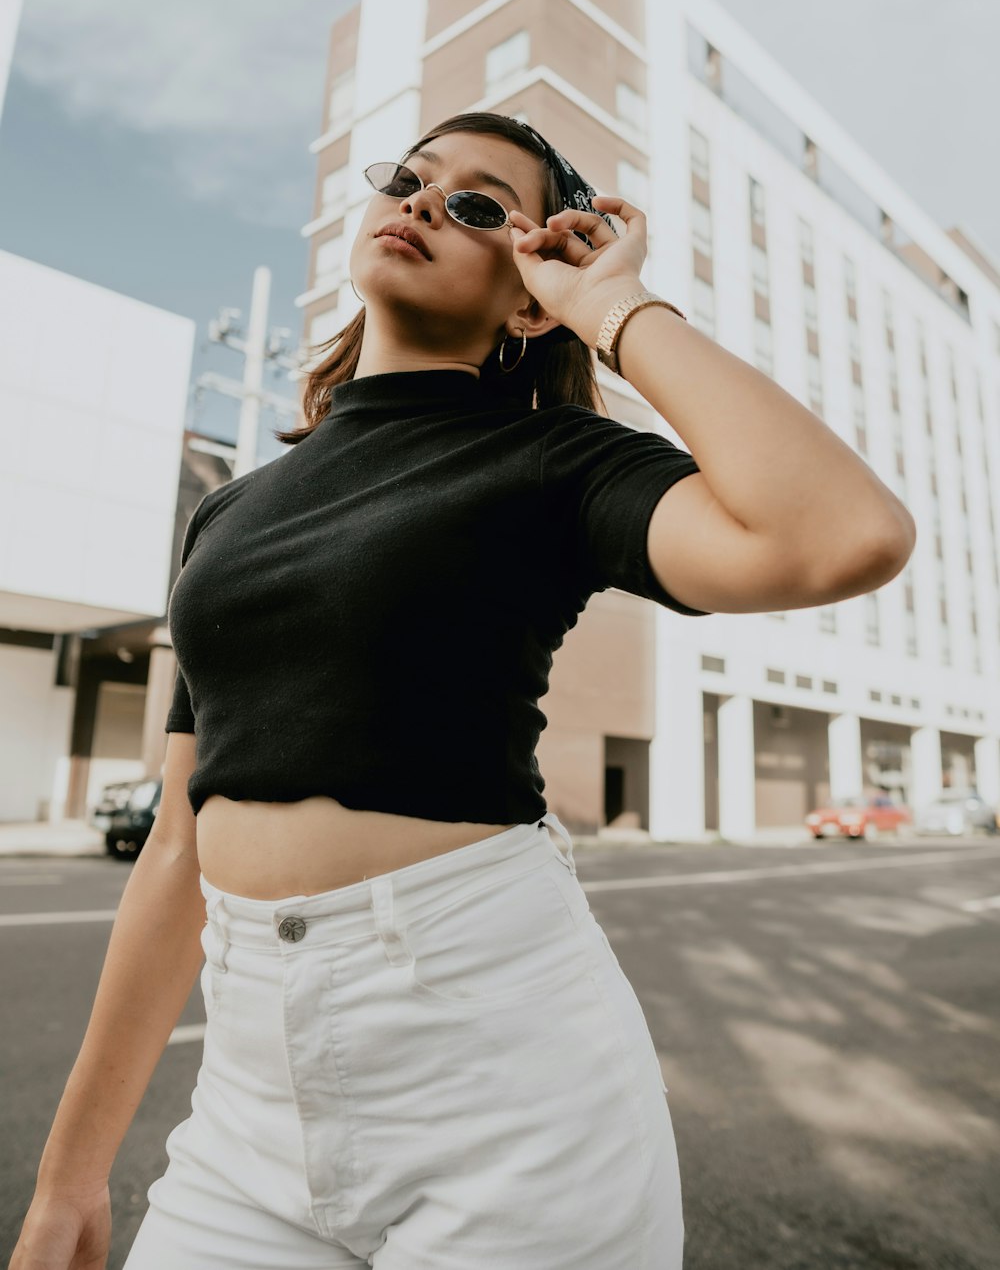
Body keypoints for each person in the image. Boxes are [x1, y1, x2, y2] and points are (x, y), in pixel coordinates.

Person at [10, 109, 711, 1270]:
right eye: (414, 178)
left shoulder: (551, 461)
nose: (428, 203)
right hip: (248, 1106)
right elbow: (177, 849)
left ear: (527, 297)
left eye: (483, 205)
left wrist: (615, 309)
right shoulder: (232, 510)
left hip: (505, 1083)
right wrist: (69, 1183)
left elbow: (839, 534)